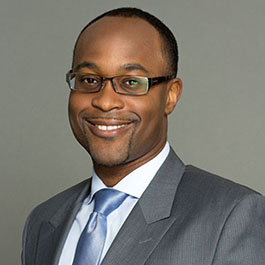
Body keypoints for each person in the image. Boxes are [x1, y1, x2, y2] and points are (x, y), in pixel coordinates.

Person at [22, 7, 265, 265]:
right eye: (90, 80)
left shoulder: (231, 216)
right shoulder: (43, 221)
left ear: (171, 95)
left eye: (131, 82)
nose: (105, 102)